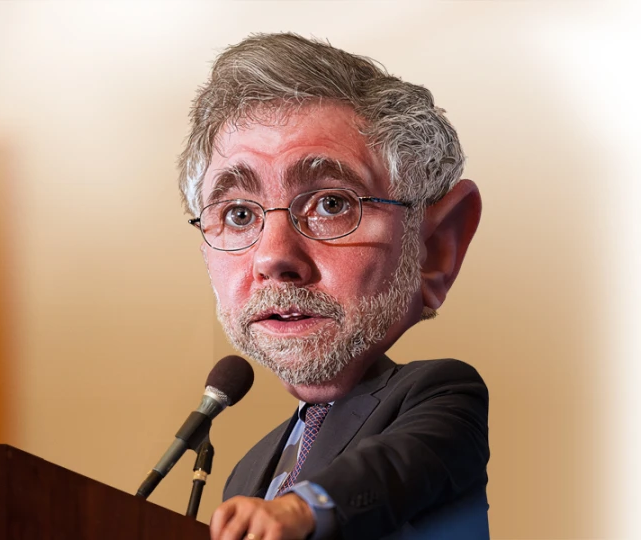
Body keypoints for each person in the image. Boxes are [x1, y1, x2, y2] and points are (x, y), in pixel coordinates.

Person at [179, 33, 488, 540]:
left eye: (331, 204)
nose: (274, 257)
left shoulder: (439, 394)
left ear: (434, 248)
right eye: (238, 213)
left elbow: (394, 469)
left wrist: (302, 509)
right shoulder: (248, 470)